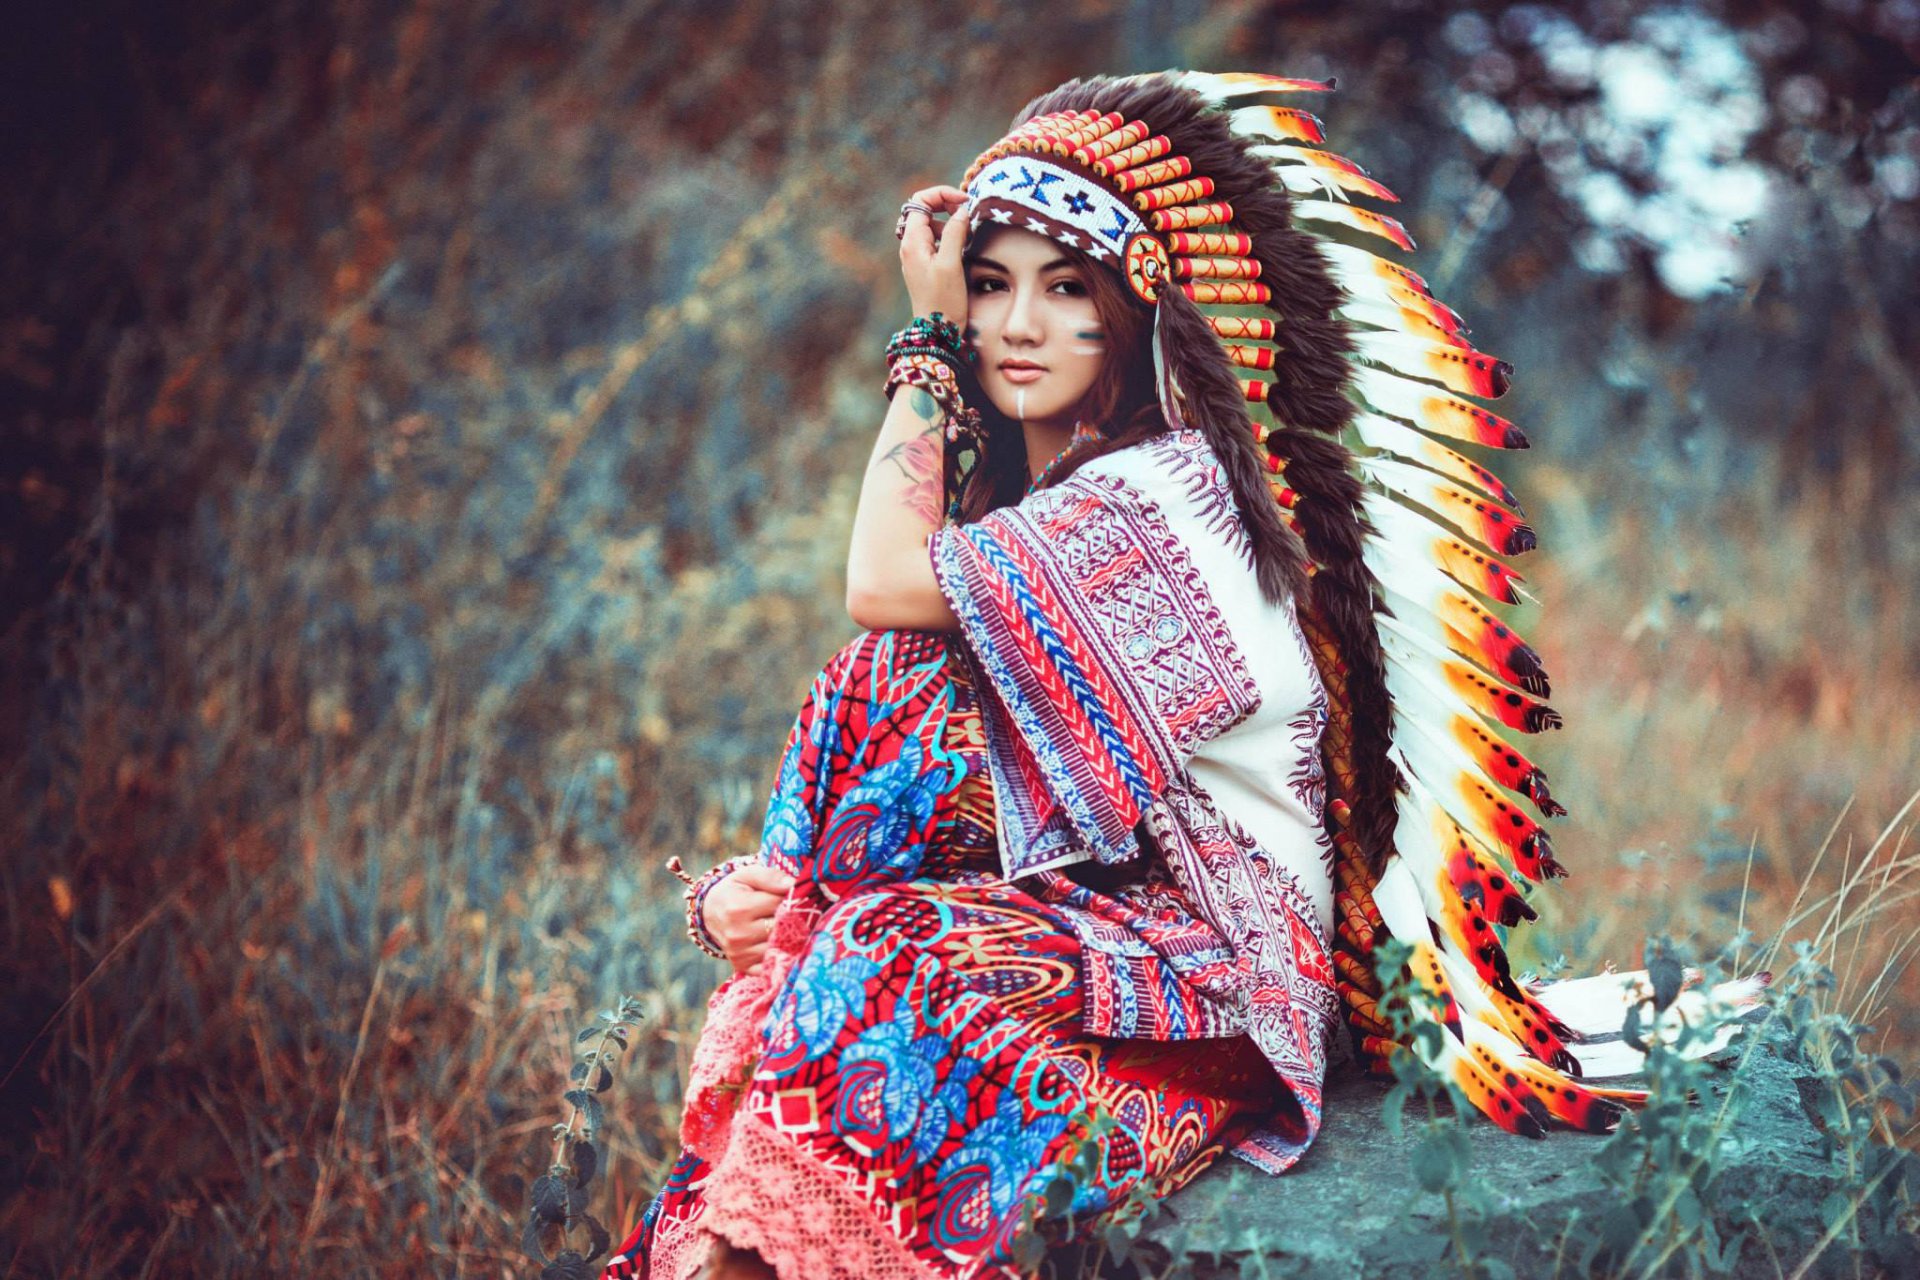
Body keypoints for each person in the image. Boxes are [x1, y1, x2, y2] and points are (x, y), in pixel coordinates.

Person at [605, 69, 1717, 1280]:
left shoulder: (1165, 497)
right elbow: (913, 713)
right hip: (1099, 924)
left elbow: (879, 574)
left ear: (1133, 316)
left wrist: (921, 343)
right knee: (875, 730)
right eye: (988, 287)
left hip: (1225, 973)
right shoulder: (1036, 509)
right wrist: (737, 897)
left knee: (881, 938)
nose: (1017, 325)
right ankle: (765, 1038)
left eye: (1065, 289)